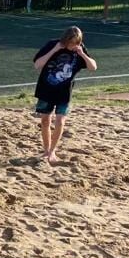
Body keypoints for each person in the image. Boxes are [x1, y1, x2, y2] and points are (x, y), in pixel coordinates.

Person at [32, 26, 98, 164]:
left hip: (64, 93)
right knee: (45, 121)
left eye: (76, 43)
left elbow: (93, 67)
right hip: (46, 89)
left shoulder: (79, 50)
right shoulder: (52, 44)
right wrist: (54, 50)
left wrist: (82, 54)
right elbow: (37, 64)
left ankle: (52, 151)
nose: (73, 46)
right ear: (65, 40)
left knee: (60, 121)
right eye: (71, 43)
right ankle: (46, 150)